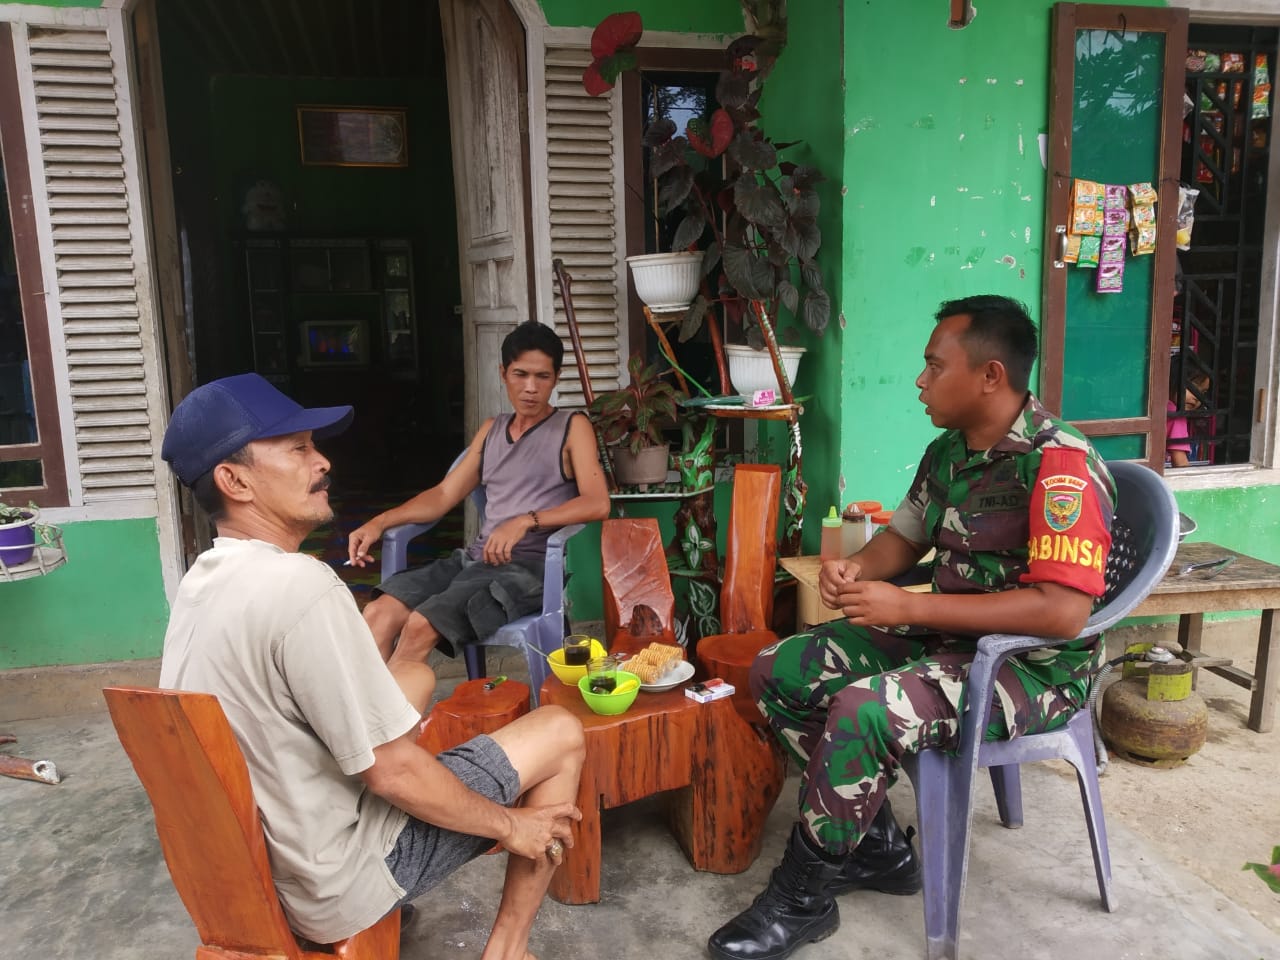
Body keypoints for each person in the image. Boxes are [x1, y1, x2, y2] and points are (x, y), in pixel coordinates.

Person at [708, 295, 1116, 960]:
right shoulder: (948, 451)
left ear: (990, 375)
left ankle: (802, 899)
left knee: (865, 710)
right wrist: (857, 570)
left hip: (1029, 667)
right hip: (947, 640)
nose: (921, 381)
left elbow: (1061, 612)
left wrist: (911, 608)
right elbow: (903, 538)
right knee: (779, 669)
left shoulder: (1059, 464)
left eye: (935, 366)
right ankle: (876, 848)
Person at [158, 372, 586, 958]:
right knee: (559, 730)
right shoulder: (301, 586)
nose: (323, 462)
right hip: (336, 880)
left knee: (413, 680)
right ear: (234, 481)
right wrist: (513, 826)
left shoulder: (199, 584)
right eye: (298, 449)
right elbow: (392, 774)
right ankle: (508, 951)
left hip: (255, 869)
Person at [349, 321, 611, 708]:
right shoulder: (492, 430)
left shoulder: (572, 427)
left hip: (527, 571)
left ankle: (391, 729)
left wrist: (526, 520)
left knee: (421, 624)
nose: (530, 387)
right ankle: (365, 723)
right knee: (378, 613)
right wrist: (379, 521)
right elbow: (443, 495)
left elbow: (598, 502)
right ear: (503, 373)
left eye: (542, 377)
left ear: (556, 378)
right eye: (520, 374)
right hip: (473, 561)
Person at [1167, 370, 1211, 468]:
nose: (1197, 397)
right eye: (1193, 387)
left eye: (1203, 392)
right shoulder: (1176, 415)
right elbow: (1180, 463)